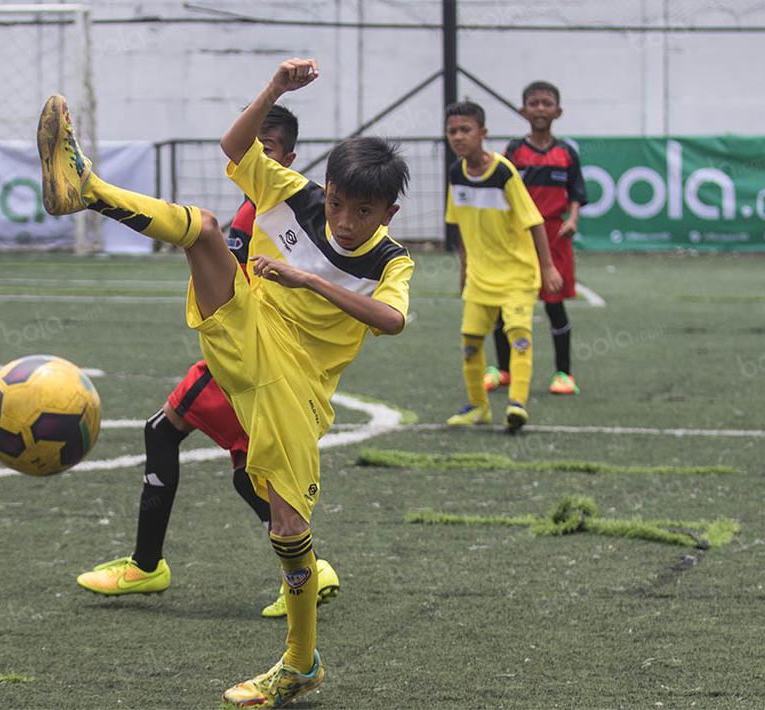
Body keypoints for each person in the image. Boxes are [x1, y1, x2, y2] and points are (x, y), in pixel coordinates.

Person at [38, 57, 412, 708]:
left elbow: (394, 319)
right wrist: (273, 88)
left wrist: (310, 280)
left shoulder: (389, 258)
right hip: (246, 331)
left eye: (363, 210)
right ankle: (86, 189)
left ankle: (300, 663)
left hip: (296, 390)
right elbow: (233, 147)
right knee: (204, 230)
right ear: (321, 186)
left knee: (286, 527)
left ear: (389, 210)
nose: (344, 220)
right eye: (336, 202)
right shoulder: (290, 192)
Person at [74, 105, 341, 620]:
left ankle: (147, 565)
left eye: (268, 152)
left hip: (247, 356)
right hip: (259, 355)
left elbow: (226, 272)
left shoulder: (267, 210)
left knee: (165, 433)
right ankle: (308, 566)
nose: (256, 158)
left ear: (288, 157)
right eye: (251, 149)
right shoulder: (272, 208)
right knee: (245, 471)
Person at [444, 100, 562, 434]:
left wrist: (548, 267)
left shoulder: (503, 172)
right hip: (481, 278)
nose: (458, 137)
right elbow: (460, 227)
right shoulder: (455, 174)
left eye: (465, 130)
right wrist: (464, 269)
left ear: (482, 133)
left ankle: (517, 404)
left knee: (518, 338)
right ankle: (478, 406)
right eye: (452, 131)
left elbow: (535, 221)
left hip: (517, 274)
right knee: (470, 342)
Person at [484, 81, 588, 396]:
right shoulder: (515, 151)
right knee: (507, 305)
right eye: (534, 103)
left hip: (555, 239)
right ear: (523, 110)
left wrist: (572, 220)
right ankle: (504, 371)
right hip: (519, 240)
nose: (540, 109)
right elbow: (501, 191)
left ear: (557, 111)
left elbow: (577, 193)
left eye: (546, 103)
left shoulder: (566, 152)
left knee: (554, 306)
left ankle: (564, 374)